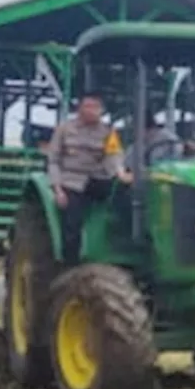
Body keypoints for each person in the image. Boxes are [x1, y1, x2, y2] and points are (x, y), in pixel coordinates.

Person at [46, 93, 129, 266]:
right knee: (72, 221)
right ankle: (70, 264)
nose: (92, 111)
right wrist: (57, 189)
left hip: (97, 179)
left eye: (96, 107)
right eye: (88, 106)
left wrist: (120, 172)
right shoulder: (64, 129)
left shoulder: (108, 132)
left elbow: (114, 155)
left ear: (102, 111)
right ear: (80, 109)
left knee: (125, 199)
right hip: (71, 180)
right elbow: (53, 160)